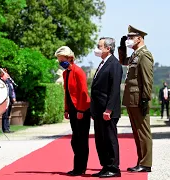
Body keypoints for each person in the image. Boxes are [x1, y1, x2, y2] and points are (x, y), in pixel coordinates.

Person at [118, 25, 154, 173]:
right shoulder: (135, 54)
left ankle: (146, 163)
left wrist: (145, 98)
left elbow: (147, 79)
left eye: (131, 38)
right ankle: (140, 161)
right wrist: (121, 48)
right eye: (127, 38)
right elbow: (123, 61)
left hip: (139, 98)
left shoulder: (144, 55)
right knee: (137, 132)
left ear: (139, 38)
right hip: (133, 98)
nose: (129, 40)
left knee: (143, 132)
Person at [54, 46, 91, 176]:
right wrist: (66, 109)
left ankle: (80, 168)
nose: (60, 62)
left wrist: (81, 110)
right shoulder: (65, 73)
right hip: (73, 110)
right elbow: (67, 93)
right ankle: (77, 167)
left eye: (61, 59)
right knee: (75, 140)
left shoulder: (78, 71)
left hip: (82, 110)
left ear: (69, 58)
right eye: (59, 60)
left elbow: (83, 93)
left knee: (81, 140)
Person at [91, 37, 123, 178]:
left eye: (99, 46)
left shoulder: (114, 64)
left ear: (108, 48)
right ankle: (105, 166)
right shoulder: (103, 63)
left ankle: (114, 168)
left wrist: (109, 109)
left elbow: (114, 89)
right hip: (99, 110)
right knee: (100, 139)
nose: (97, 49)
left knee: (110, 139)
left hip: (107, 110)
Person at [0, 68, 16, 133]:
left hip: (10, 99)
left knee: (8, 114)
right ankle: (5, 128)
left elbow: (12, 90)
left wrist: (13, 97)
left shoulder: (9, 81)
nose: (7, 75)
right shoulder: (3, 81)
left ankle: (8, 128)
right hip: (6, 99)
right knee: (5, 114)